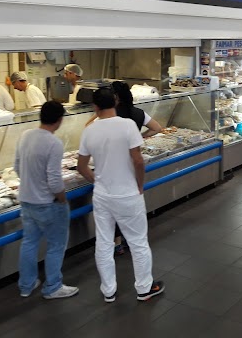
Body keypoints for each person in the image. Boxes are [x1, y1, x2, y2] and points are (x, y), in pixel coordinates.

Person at [77, 88, 164, 303]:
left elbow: (81, 166)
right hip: (128, 194)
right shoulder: (126, 125)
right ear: (115, 102)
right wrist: (140, 185)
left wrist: (96, 180)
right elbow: (138, 160)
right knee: (138, 242)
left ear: (95, 107)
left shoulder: (89, 130)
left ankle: (109, 291)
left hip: (102, 195)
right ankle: (144, 289)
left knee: (104, 243)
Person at [15, 101, 79, 300]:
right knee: (56, 245)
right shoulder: (54, 143)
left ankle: (26, 285)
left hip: (26, 200)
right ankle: (52, 287)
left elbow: (17, 167)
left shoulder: (26, 135)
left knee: (29, 243)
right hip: (48, 203)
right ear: (59, 120)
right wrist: (61, 198)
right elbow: (54, 179)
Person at [111, 81, 162, 255]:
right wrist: (140, 138)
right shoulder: (138, 113)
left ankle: (117, 242)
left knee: (117, 206)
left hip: (115, 165)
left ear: (115, 97)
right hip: (133, 162)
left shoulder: (110, 115)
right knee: (132, 203)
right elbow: (157, 128)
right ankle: (131, 239)